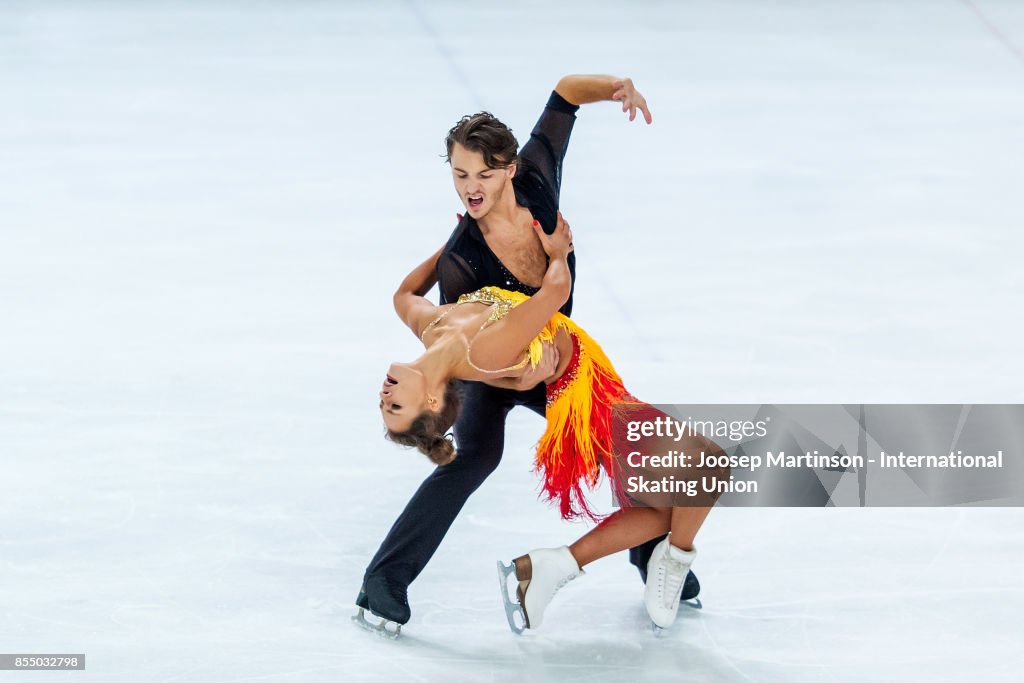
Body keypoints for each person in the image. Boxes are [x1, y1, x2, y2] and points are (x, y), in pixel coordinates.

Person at [355, 75, 698, 633]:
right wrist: (524, 362)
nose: (471, 186)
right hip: (496, 367)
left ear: (510, 169)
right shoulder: (461, 261)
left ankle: (647, 547)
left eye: (483, 174)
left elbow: (565, 93)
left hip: (544, 360)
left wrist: (617, 87)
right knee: (475, 457)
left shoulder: (537, 181)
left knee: (620, 445)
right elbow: (466, 352)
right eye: (460, 175)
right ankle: (383, 581)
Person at [378, 215, 727, 631]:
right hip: (582, 396)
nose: (383, 396)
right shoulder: (482, 356)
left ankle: (565, 566)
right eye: (394, 407)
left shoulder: (429, 326)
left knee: (670, 495)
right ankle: (667, 558)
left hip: (583, 377)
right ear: (431, 401)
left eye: (384, 405)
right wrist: (559, 252)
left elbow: (404, 293)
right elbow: (546, 311)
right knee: (705, 468)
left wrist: (455, 243)